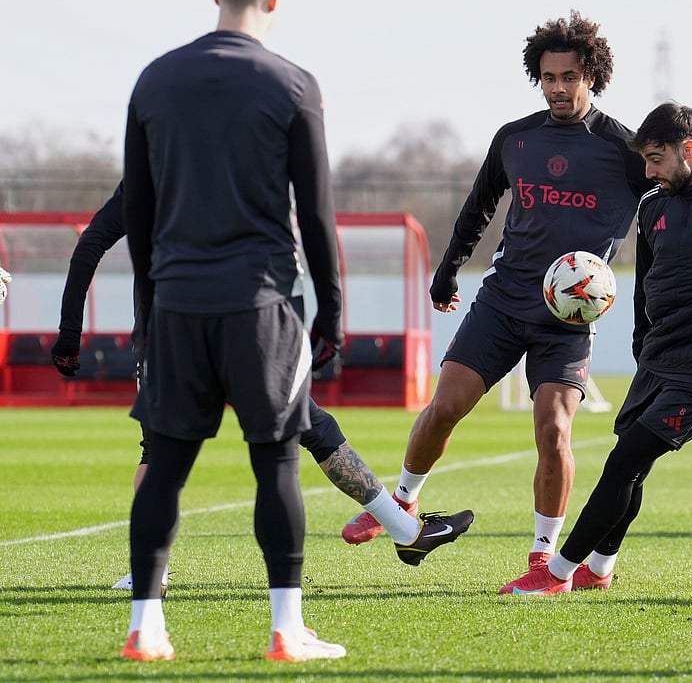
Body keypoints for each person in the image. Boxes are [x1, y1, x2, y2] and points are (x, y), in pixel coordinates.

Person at [123, 0, 376, 663]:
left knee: (166, 464)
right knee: (276, 463)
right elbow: (318, 214)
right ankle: (286, 629)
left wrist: (150, 310)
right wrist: (330, 311)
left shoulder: (154, 80)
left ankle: (146, 626)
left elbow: (137, 215)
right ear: (274, 0)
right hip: (261, 304)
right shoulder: (293, 84)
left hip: (176, 302)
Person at [340, 12, 652, 577]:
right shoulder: (516, 138)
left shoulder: (625, 150)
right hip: (503, 301)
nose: (558, 86)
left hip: (569, 316)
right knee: (445, 407)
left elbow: (669, 202)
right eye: (549, 76)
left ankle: (541, 556)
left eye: (570, 76)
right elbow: (479, 205)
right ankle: (405, 498)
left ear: (593, 77)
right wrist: (449, 268)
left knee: (554, 427)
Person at [50, 183, 472, 595]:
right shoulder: (237, 164)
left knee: (159, 452)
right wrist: (318, 316)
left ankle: (148, 573)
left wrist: (70, 330)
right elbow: (286, 245)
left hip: (165, 336)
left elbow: (92, 242)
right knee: (300, 433)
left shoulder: (150, 172)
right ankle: (394, 538)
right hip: (239, 328)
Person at [499, 102, 692, 595]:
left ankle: (556, 573)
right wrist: (640, 344)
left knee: (622, 463)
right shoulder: (653, 205)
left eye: (656, 159)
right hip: (656, 360)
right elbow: (643, 284)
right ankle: (601, 569)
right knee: (632, 464)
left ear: (689, 150)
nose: (647, 171)